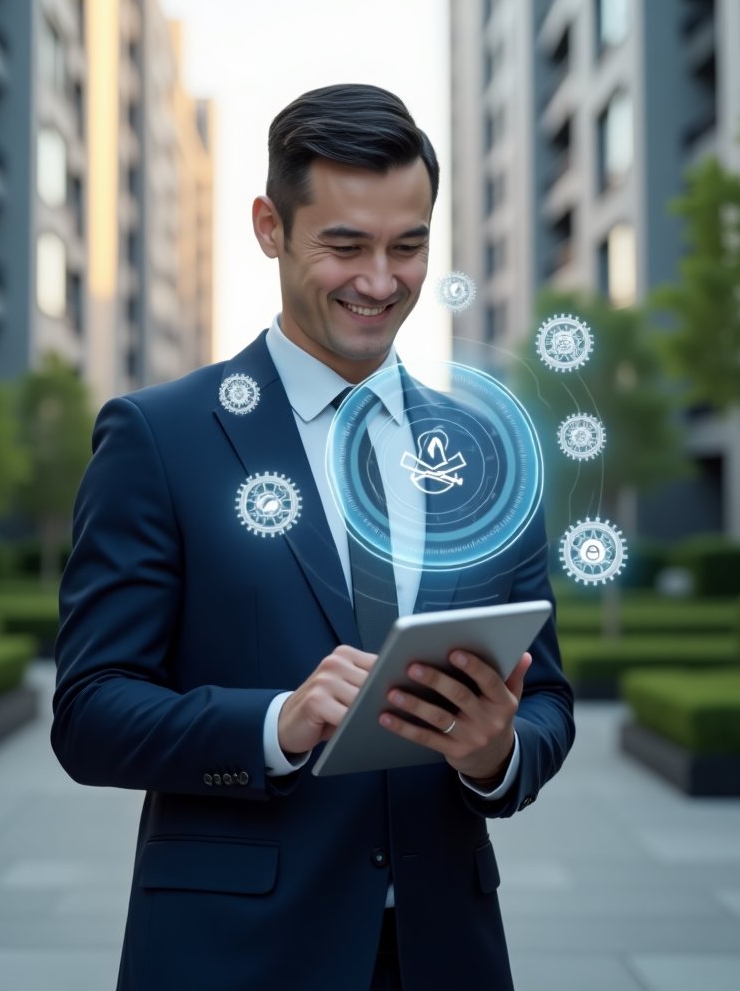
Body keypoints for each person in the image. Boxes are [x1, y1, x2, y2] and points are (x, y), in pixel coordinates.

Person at [52, 83, 574, 991]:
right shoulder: (159, 438)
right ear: (269, 226)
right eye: (345, 245)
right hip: (232, 955)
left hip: (444, 951)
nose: (381, 281)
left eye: (407, 246)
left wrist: (498, 755)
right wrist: (273, 725)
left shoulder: (488, 457)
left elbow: (550, 701)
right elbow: (90, 713)